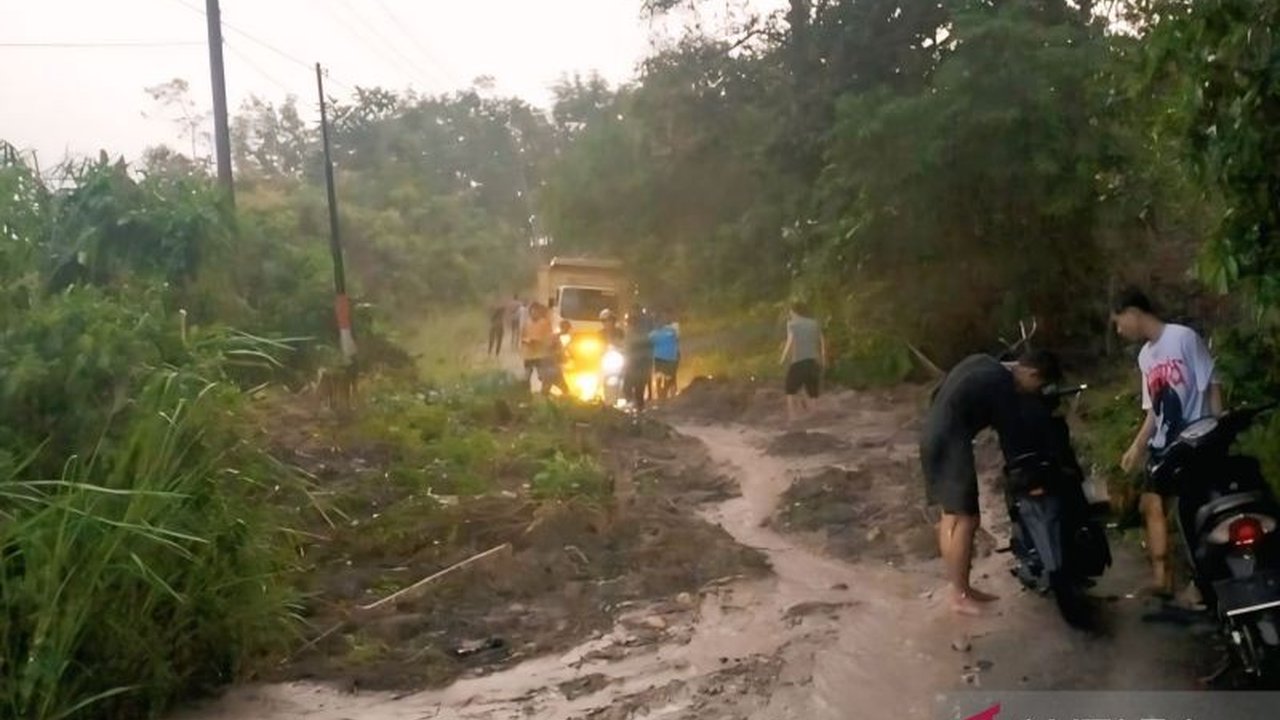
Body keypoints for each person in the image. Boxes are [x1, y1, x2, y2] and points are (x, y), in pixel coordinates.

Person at [920, 350, 1061, 616]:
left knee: (951, 516)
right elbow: (1011, 436)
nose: (1033, 392)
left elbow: (937, 393)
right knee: (967, 519)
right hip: (951, 443)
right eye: (1038, 386)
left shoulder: (983, 362)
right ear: (1032, 374)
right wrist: (1025, 474)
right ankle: (959, 595)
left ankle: (960, 588)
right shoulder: (1001, 384)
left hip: (932, 435)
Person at [1112, 288, 1222, 598]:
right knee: (1151, 503)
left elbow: (1212, 383)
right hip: (1164, 445)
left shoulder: (1183, 337)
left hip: (1195, 438)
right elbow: (1154, 412)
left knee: (1191, 508)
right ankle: (1163, 580)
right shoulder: (1145, 357)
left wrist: (1218, 427)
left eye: (1119, 322)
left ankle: (1202, 582)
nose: (1119, 331)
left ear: (1134, 313)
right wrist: (1137, 447)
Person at [779, 302, 826, 423]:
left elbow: (790, 342)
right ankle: (813, 413)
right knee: (812, 388)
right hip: (813, 360)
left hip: (798, 361)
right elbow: (822, 340)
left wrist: (783, 358)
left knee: (790, 388)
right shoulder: (814, 323)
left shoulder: (792, 324)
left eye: (790, 312)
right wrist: (823, 357)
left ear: (794, 312)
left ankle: (793, 416)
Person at [624, 310, 654, 411]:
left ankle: (637, 408)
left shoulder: (637, 336)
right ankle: (637, 407)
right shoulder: (632, 335)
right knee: (636, 389)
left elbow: (647, 352)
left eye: (630, 323)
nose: (629, 326)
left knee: (633, 389)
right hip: (636, 366)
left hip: (637, 366)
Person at [520, 302, 554, 392]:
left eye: (536, 311)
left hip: (540, 354)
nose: (534, 313)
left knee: (543, 376)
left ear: (540, 312)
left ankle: (544, 393)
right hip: (528, 354)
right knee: (526, 375)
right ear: (530, 312)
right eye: (532, 311)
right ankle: (526, 393)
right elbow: (522, 336)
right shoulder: (526, 323)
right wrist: (527, 340)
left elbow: (549, 338)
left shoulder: (545, 323)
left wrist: (540, 342)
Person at [650, 315, 680, 400]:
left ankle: (662, 394)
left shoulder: (654, 334)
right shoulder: (672, 331)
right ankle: (663, 394)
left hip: (663, 358)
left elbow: (648, 342)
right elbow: (677, 338)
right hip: (668, 358)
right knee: (665, 376)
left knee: (662, 376)